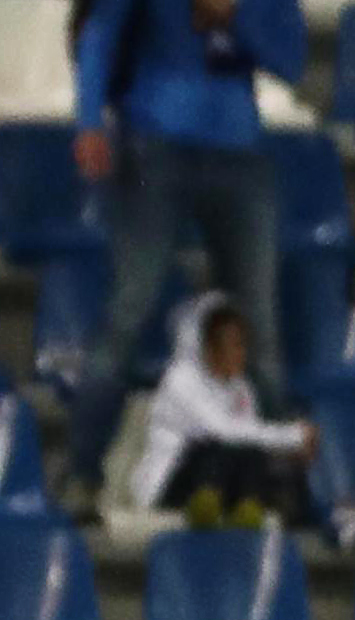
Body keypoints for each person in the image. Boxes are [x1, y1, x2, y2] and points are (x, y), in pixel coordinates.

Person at [65, 0, 306, 505]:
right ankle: (81, 473)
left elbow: (293, 60)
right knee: (130, 308)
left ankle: (282, 482)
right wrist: (89, 119)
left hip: (240, 154)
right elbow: (101, 32)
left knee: (257, 321)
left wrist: (236, 19)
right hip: (155, 146)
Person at [127, 292, 314, 525]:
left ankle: (249, 509)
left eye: (243, 345)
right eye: (233, 345)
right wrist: (293, 436)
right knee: (215, 450)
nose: (241, 354)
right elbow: (222, 431)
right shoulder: (179, 381)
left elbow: (250, 435)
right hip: (170, 485)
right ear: (209, 348)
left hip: (226, 480)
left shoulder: (242, 388)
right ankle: (206, 503)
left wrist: (292, 448)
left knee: (252, 454)